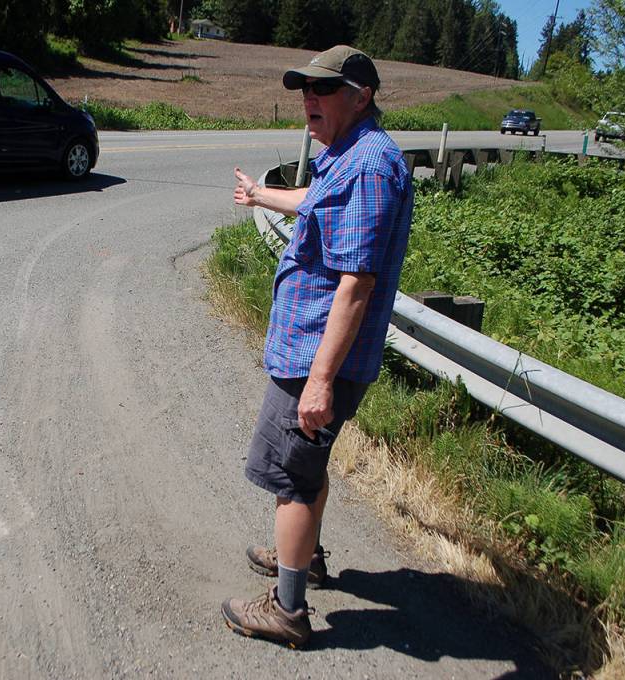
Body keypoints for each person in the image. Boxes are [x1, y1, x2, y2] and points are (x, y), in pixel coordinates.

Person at [221, 45, 414, 648]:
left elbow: (357, 283)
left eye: (323, 89)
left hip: (316, 359)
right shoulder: (347, 154)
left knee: (292, 477)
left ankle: (288, 607)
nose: (310, 97)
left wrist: (321, 381)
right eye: (305, 88)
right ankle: (302, 556)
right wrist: (260, 197)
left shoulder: (369, 165)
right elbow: (312, 200)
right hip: (308, 351)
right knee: (306, 467)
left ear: (362, 96)